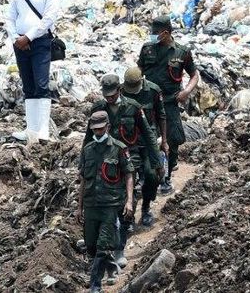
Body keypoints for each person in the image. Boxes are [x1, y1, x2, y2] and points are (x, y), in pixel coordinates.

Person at [84, 74, 164, 269]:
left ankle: (120, 247)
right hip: (105, 163)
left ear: (119, 90)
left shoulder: (133, 108)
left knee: (128, 201)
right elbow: (87, 139)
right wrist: (83, 165)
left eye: (112, 95)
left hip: (130, 157)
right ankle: (103, 249)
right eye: (106, 95)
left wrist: (157, 162)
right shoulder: (98, 110)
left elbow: (148, 134)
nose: (109, 98)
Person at [137, 16, 199, 194]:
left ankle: (167, 177)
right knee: (145, 139)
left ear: (165, 33)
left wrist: (186, 92)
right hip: (148, 102)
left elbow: (194, 75)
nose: (152, 36)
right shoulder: (147, 49)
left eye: (155, 33)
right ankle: (144, 177)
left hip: (170, 102)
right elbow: (139, 70)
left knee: (172, 140)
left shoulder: (181, 52)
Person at [77, 111, 135, 293]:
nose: (98, 133)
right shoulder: (87, 150)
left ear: (108, 127)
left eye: (101, 129)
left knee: (103, 246)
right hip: (91, 205)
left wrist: (129, 201)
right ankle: (110, 267)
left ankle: (95, 285)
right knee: (92, 247)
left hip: (110, 205)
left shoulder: (119, 148)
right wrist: (79, 207)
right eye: (95, 130)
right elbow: (83, 181)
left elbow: (128, 175)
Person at [5, 0, 60, 143]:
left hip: (40, 42)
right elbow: (9, 19)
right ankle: (31, 130)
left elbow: (49, 18)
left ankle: (43, 130)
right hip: (20, 44)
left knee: (41, 85)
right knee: (28, 86)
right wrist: (16, 38)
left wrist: (28, 36)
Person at [122, 66, 168, 227]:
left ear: (142, 80)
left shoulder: (153, 91)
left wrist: (164, 141)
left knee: (151, 175)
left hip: (150, 142)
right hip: (130, 142)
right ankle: (129, 216)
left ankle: (146, 207)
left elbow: (161, 115)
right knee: (129, 179)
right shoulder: (122, 92)